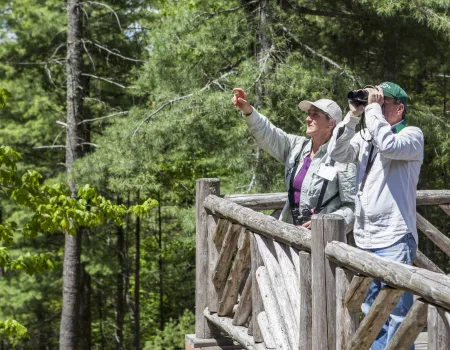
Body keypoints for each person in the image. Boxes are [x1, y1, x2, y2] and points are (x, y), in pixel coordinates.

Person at [327, 82, 424, 350]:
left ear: (399, 108)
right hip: (366, 237)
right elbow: (336, 152)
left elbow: (389, 145)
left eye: (383, 103)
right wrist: (353, 116)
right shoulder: (367, 136)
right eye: (375, 102)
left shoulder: (411, 136)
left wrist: (371, 111)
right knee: (372, 313)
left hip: (395, 237)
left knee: (396, 315)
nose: (377, 107)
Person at [232, 88, 356, 232]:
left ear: (331, 124)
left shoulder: (342, 157)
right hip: (290, 233)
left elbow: (352, 207)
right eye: (308, 114)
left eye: (315, 115)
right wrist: (248, 111)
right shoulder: (296, 147)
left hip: (322, 240)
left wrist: (324, 224)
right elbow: (269, 134)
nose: (308, 118)